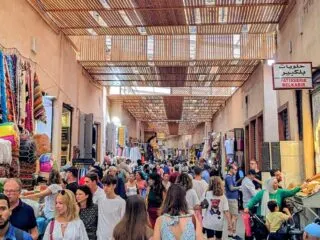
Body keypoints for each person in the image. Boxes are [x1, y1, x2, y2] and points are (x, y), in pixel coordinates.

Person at [97, 175, 126, 240]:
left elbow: (123, 221)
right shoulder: (100, 199)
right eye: (104, 185)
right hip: (101, 236)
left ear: (114, 186)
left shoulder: (121, 202)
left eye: (108, 185)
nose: (105, 188)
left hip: (114, 236)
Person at [225, 164, 241, 239]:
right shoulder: (228, 177)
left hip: (231, 198)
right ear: (230, 169)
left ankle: (230, 232)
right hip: (232, 199)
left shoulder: (230, 177)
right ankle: (234, 233)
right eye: (235, 169)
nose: (236, 171)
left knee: (232, 216)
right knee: (235, 216)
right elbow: (231, 188)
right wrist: (239, 187)